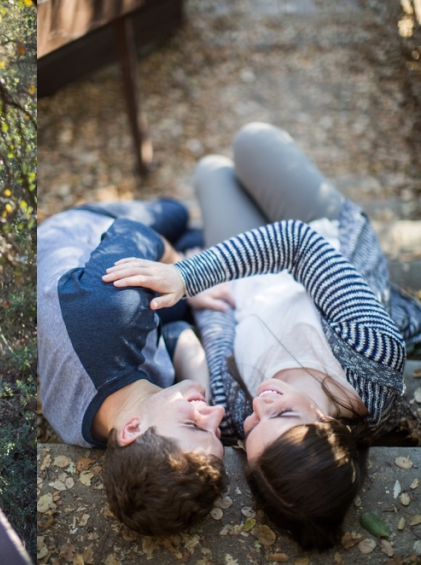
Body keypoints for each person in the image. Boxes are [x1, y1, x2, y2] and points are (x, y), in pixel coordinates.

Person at [103, 122, 421, 550]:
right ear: (328, 424)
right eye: (282, 415)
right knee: (251, 139)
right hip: (321, 235)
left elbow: (212, 332)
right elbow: (299, 243)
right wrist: (188, 274)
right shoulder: (373, 356)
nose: (259, 405)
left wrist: (204, 295)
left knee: (211, 171)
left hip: (247, 282)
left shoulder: (234, 412)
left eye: (253, 428)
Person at [37, 198, 232, 537]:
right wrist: (199, 385)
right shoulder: (116, 427)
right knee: (190, 256)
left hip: (85, 230)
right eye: (215, 432)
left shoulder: (115, 312)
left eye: (195, 424)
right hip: (106, 306)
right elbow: (174, 333)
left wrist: (189, 278)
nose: (215, 413)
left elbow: (135, 233)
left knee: (177, 214)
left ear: (132, 430)